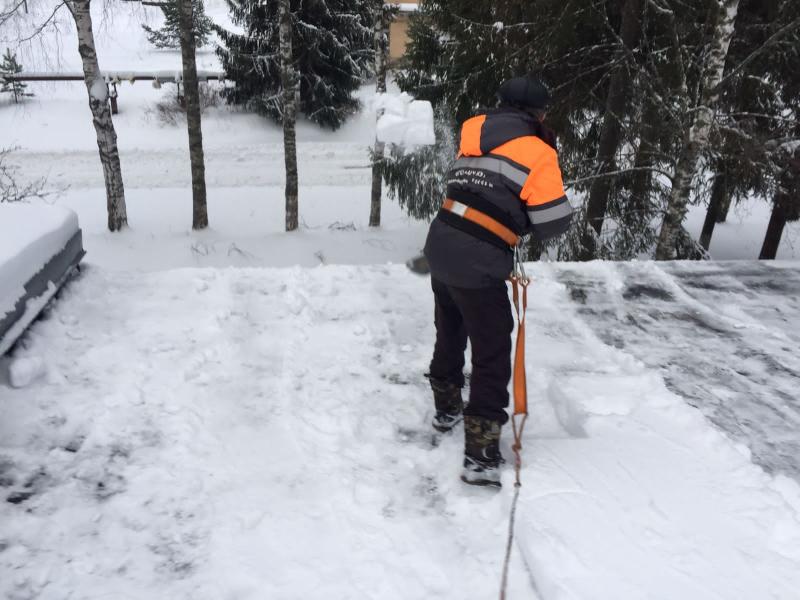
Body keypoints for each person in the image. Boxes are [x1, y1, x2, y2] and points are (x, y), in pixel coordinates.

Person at [422, 75, 573, 487]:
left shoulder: (473, 134)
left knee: (450, 331)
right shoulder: (538, 151)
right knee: (491, 351)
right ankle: (481, 456)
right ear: (540, 114)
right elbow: (551, 223)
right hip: (480, 257)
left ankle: (446, 410)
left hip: (441, 242)